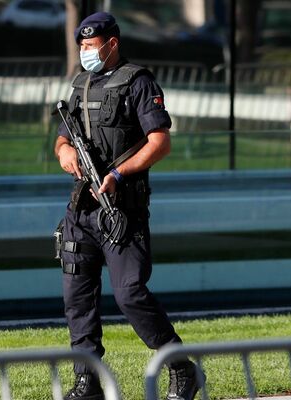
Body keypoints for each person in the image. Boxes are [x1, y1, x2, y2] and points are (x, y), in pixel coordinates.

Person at [53, 11, 203, 400]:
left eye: (90, 46)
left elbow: (160, 141)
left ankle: (180, 367)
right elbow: (61, 137)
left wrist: (119, 175)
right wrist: (65, 152)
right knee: (77, 298)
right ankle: (87, 382)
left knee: (130, 294)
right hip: (81, 209)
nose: (85, 53)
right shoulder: (81, 84)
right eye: (81, 46)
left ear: (111, 43)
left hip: (121, 209)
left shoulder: (137, 81)